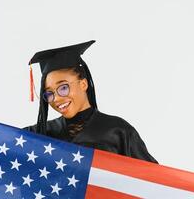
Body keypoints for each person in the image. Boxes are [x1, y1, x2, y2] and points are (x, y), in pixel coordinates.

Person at [24, 40, 158, 164]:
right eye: (49, 93)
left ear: (83, 84)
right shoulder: (39, 134)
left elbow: (152, 180)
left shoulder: (118, 131)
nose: (57, 98)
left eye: (63, 88)